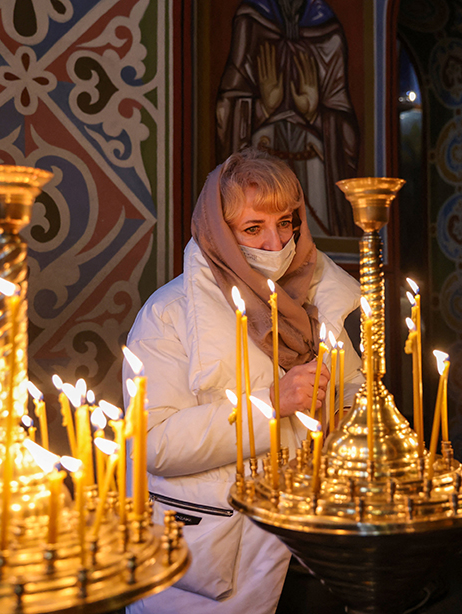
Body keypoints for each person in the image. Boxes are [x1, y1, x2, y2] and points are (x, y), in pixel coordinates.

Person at [124, 147, 363, 614]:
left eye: (286, 223)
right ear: (220, 232)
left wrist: (345, 413)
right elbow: (153, 443)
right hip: (213, 554)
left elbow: (353, 387)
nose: (276, 244)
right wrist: (269, 404)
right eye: (254, 228)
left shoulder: (315, 299)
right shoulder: (169, 313)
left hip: (312, 544)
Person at [215, 0, 360, 237]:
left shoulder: (327, 30)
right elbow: (225, 111)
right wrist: (264, 108)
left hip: (314, 165)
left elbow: (347, 131)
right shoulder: (251, 20)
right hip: (261, 158)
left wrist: (314, 114)